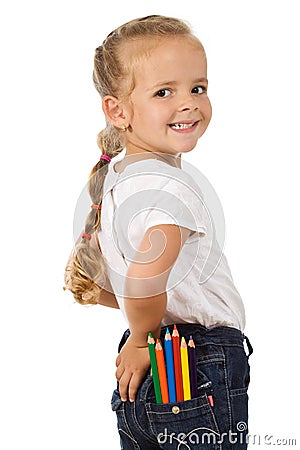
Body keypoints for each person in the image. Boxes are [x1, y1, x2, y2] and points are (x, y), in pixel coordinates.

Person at [64, 15, 252, 449]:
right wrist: (141, 336)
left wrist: (141, 335)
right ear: (118, 110)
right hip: (196, 362)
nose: (187, 103)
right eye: (164, 92)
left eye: (197, 88)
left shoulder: (120, 181)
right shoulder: (166, 186)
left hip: (162, 363)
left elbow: (127, 285)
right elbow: (147, 274)